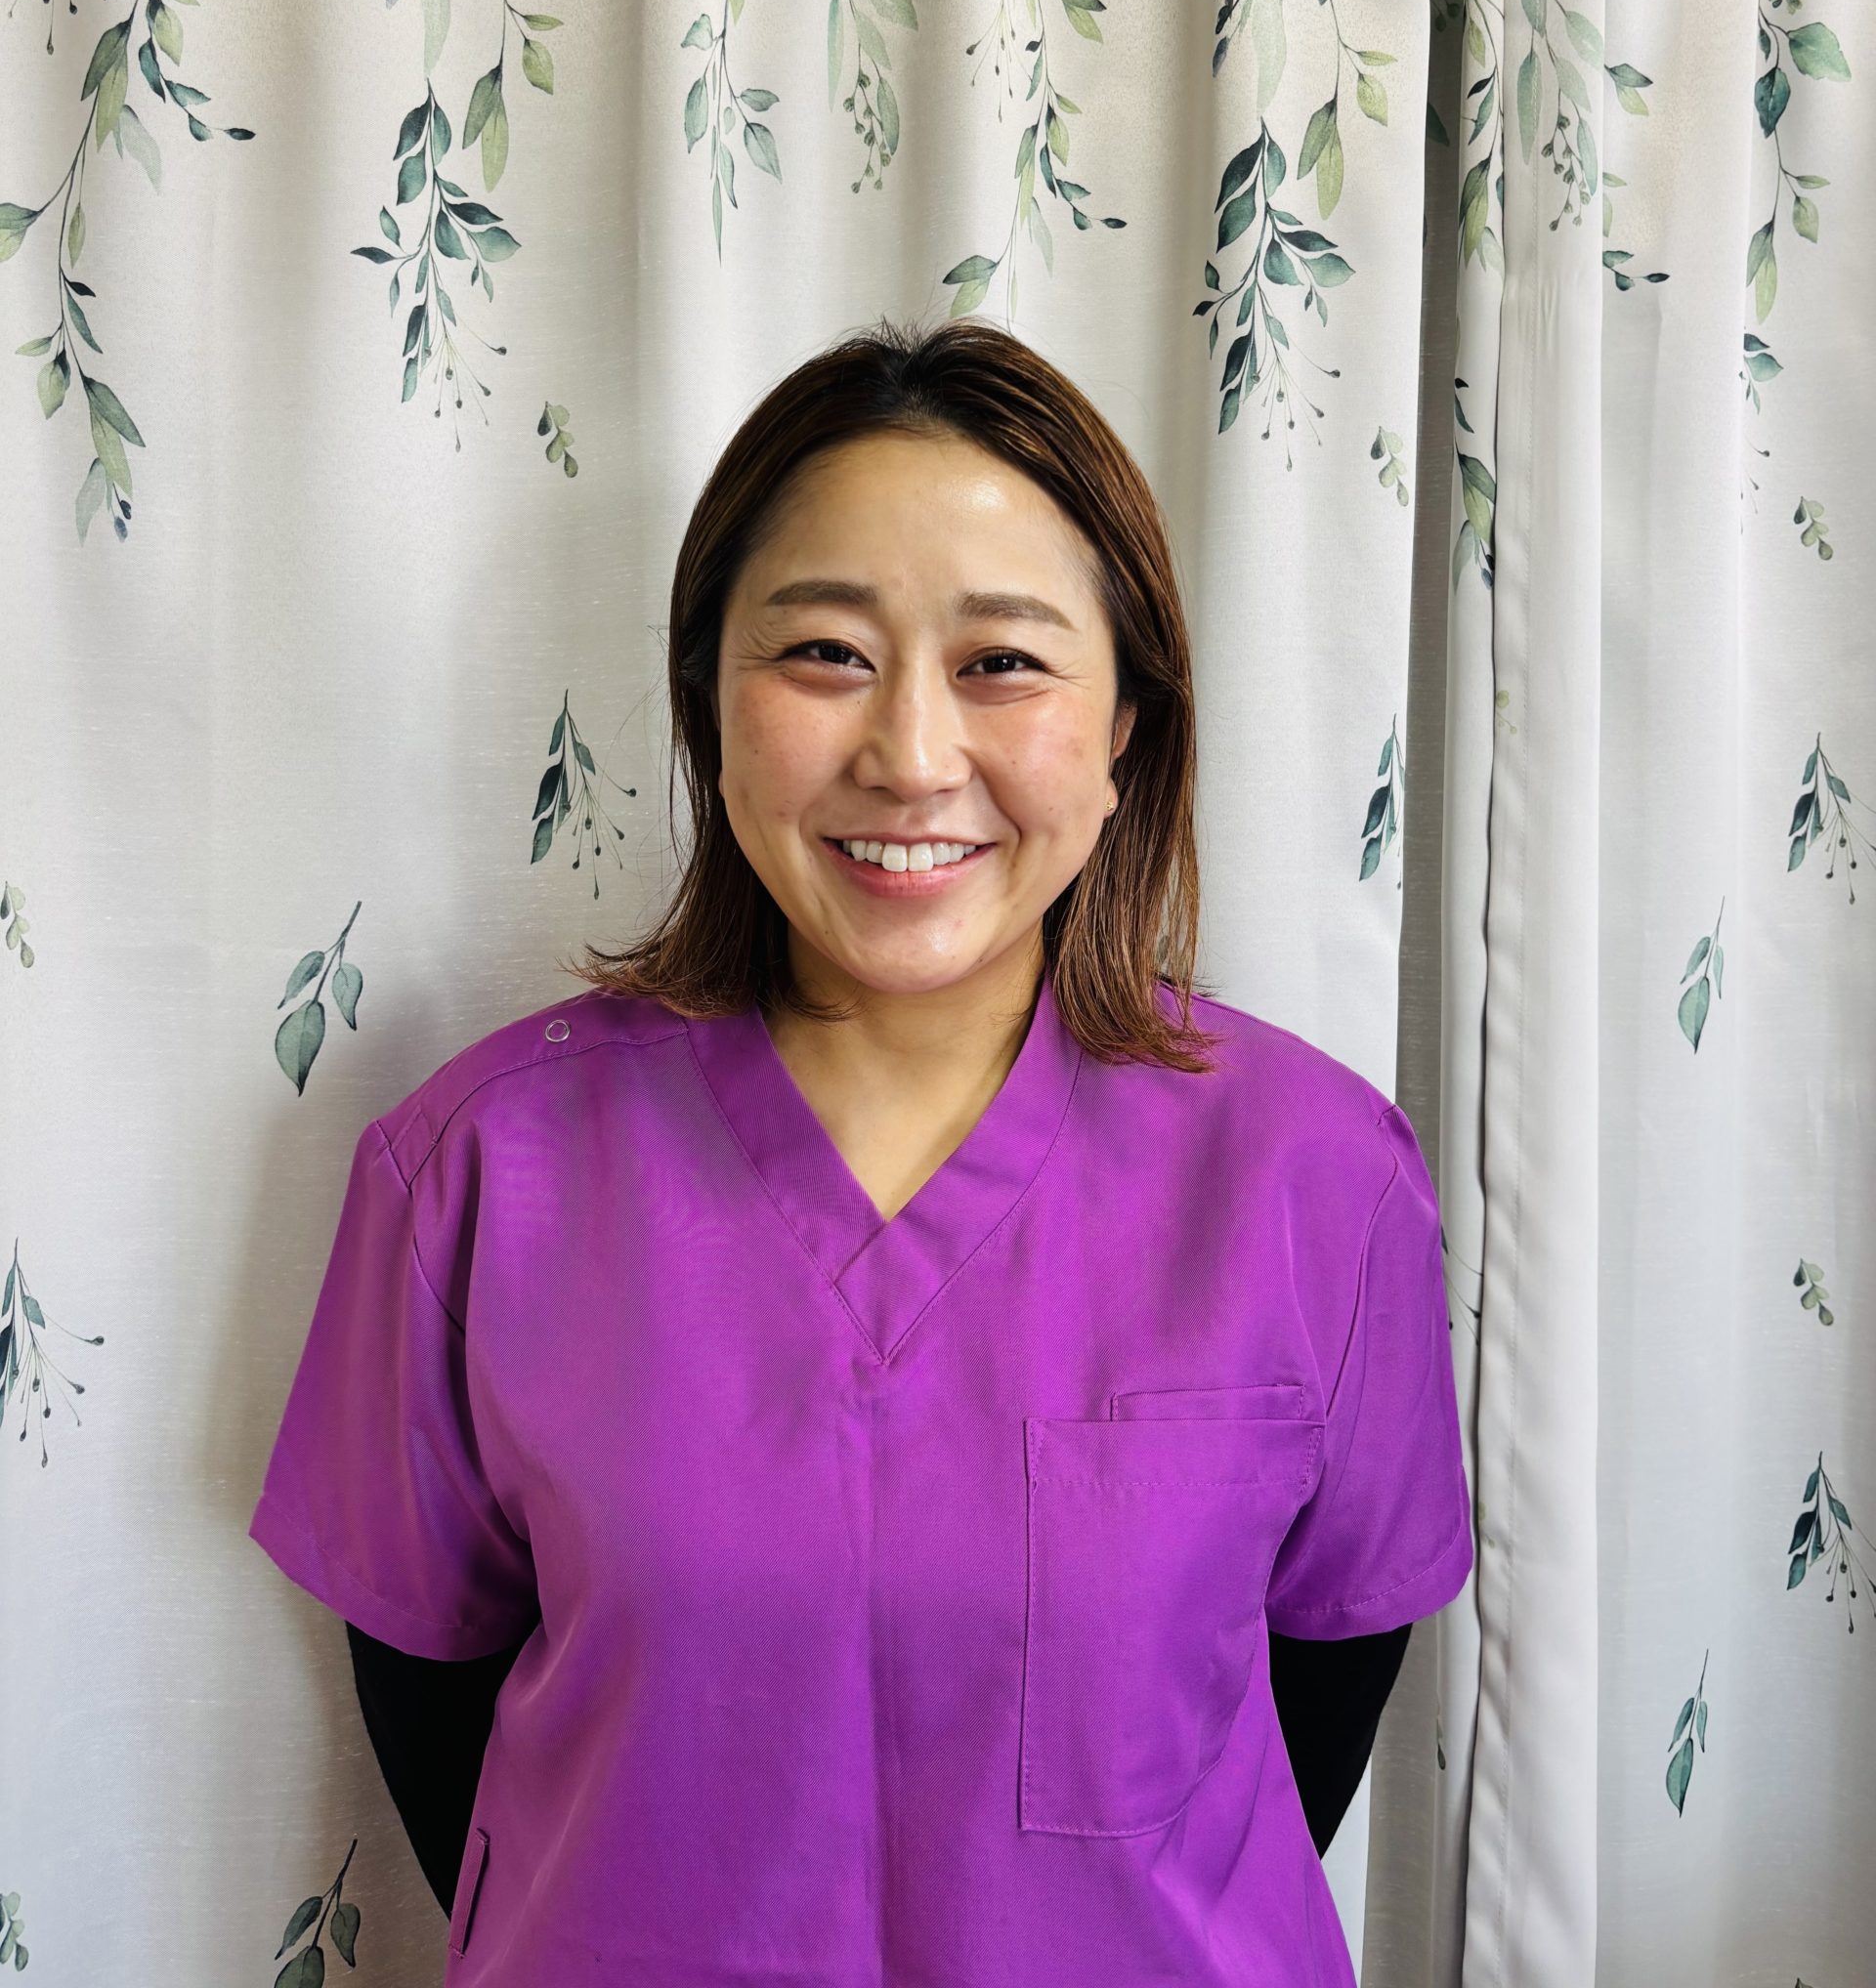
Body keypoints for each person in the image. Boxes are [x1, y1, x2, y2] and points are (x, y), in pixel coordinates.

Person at [249, 317, 1472, 1985]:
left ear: (1128, 720)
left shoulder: (1318, 1176)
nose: (910, 755)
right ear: (708, 700)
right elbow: (428, 1688)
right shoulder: (475, 1172)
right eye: (825, 652)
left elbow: (1328, 1676)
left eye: (1003, 662)